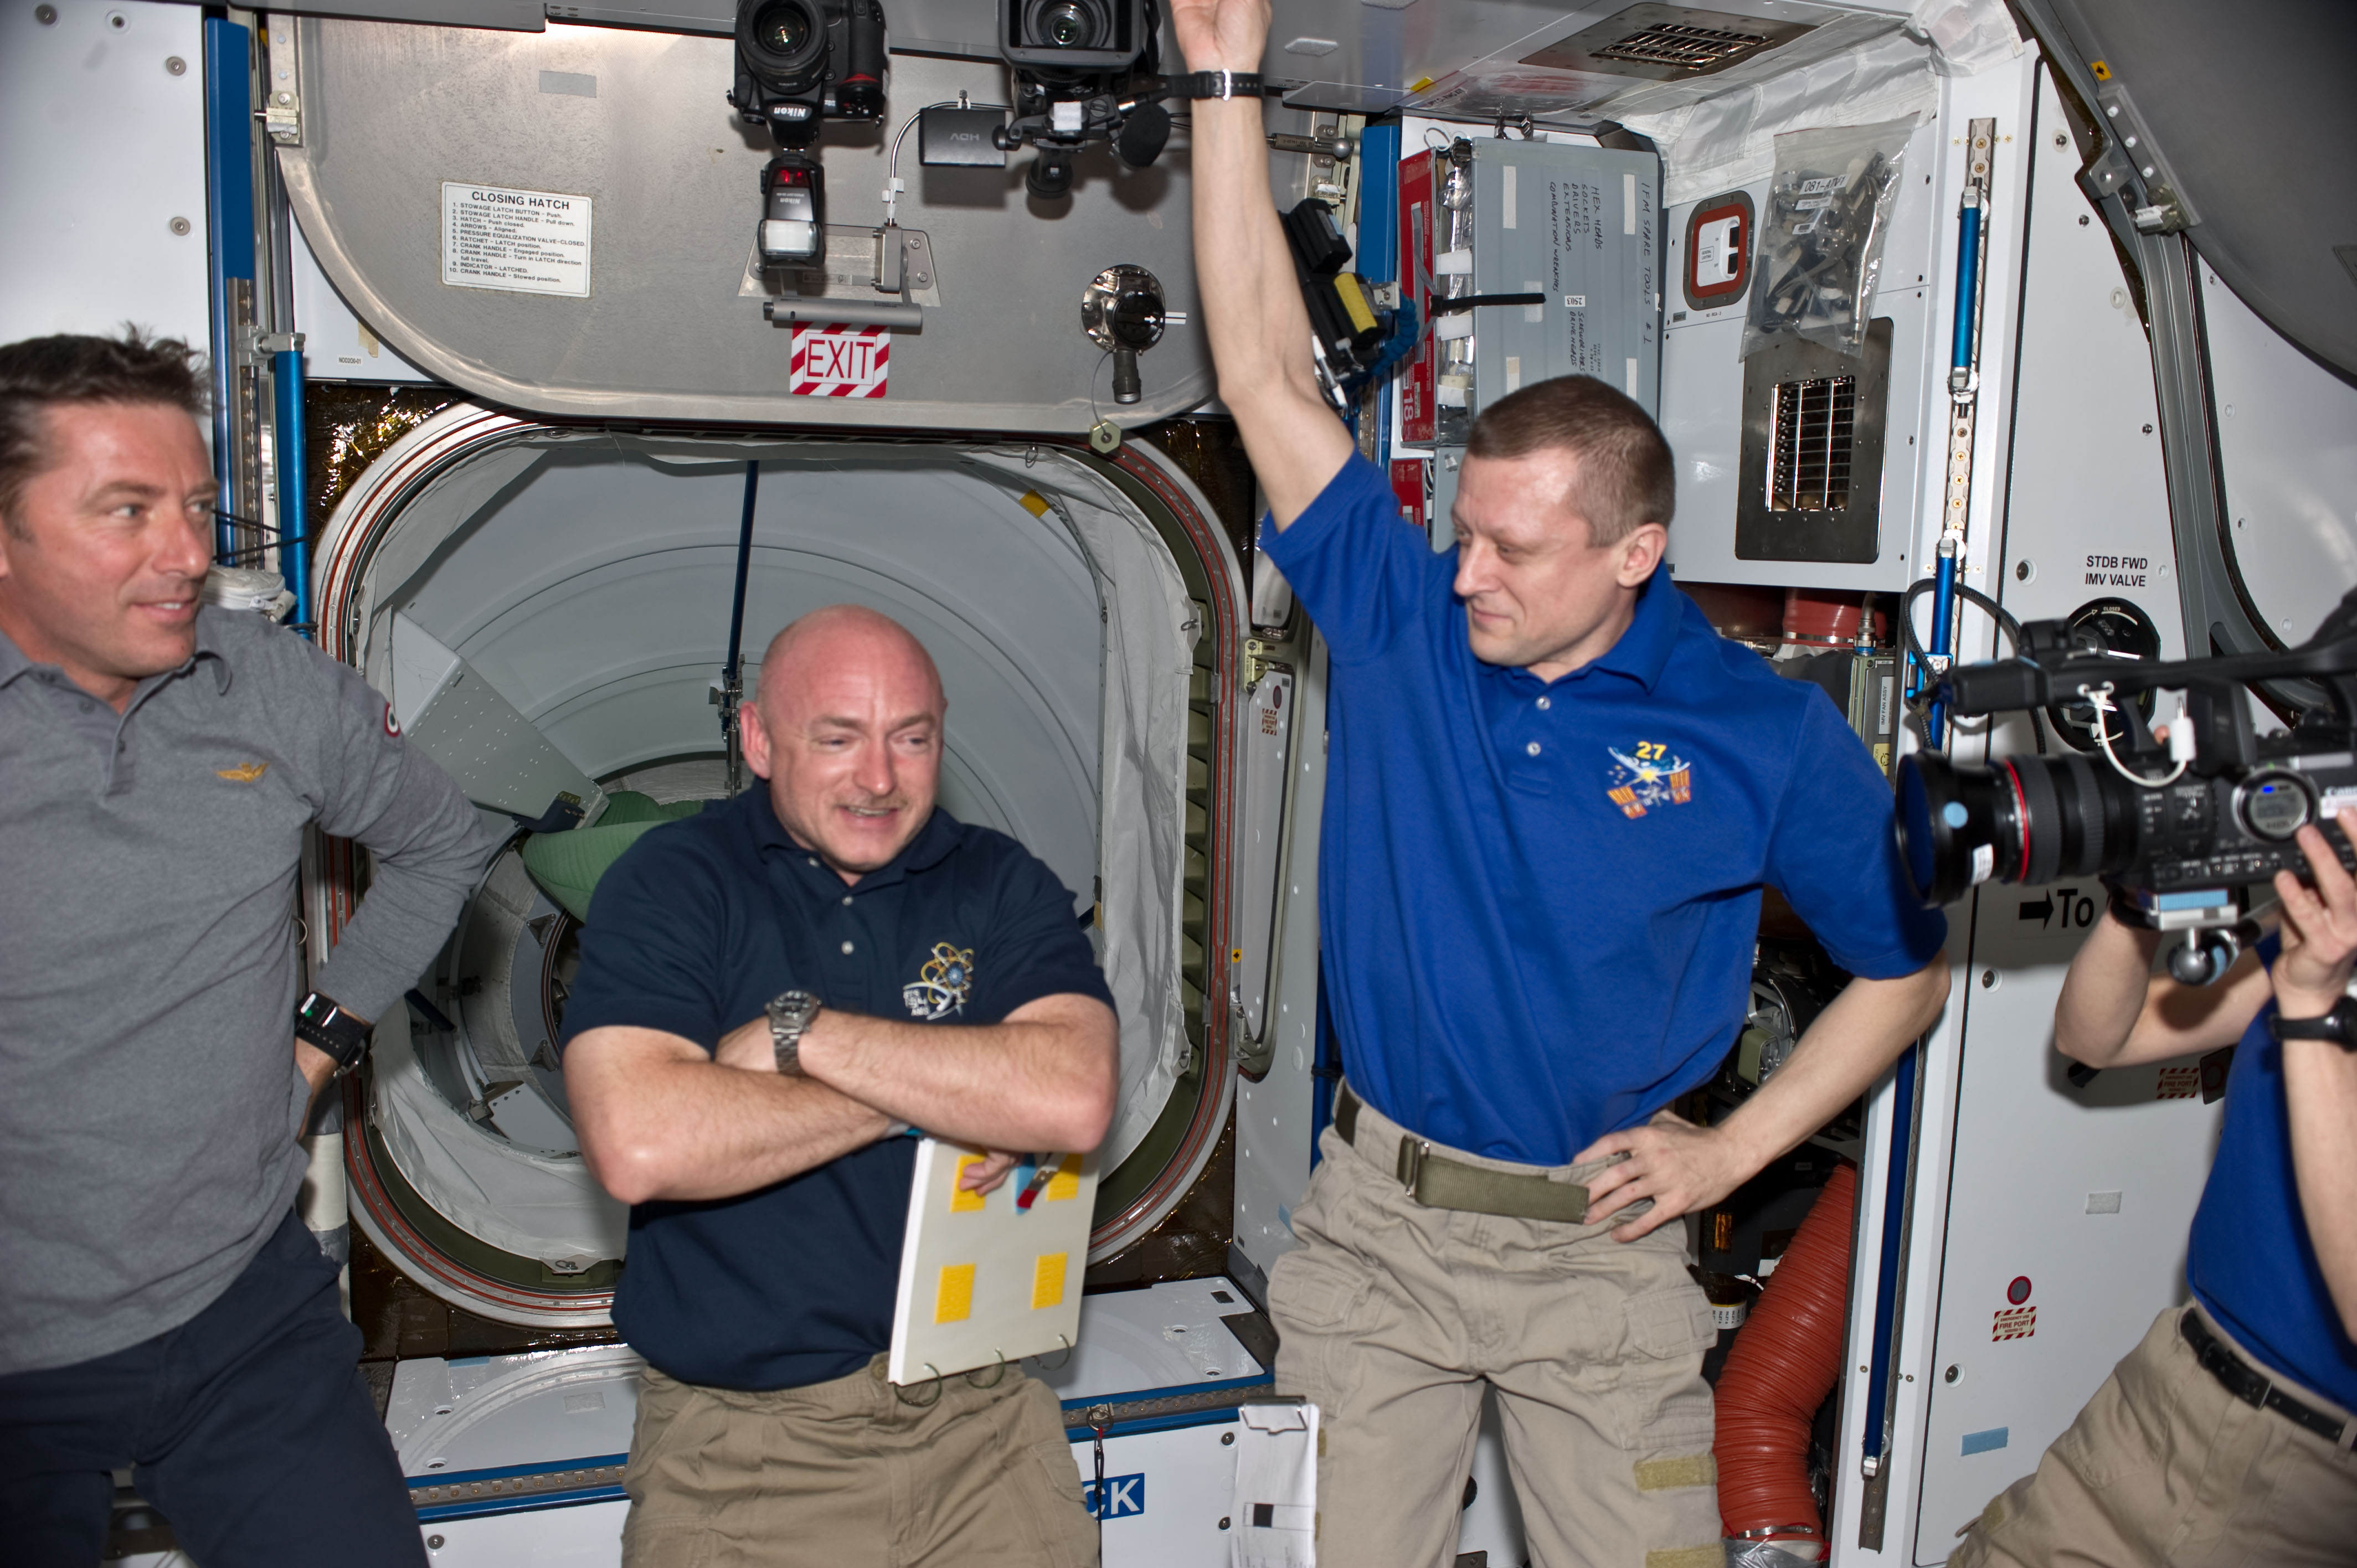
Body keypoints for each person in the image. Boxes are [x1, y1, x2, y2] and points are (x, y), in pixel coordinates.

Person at [1170, 3, 1953, 1562]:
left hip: (1599, 1251)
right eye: (1464, 533)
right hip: (1380, 1228)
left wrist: (1731, 1155)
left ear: (1635, 554)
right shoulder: (1405, 626)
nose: (1467, 575)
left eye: (1513, 551)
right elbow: (1262, 373)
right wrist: (1225, 85)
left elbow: (1906, 971)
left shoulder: (1757, 732)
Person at [0, 331, 501, 1566]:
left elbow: (442, 843)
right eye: (128, 512)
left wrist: (323, 1041)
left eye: (195, 506)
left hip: (244, 1317)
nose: (187, 557)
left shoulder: (265, 687)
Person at [560, 603, 1118, 1568]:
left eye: (912, 739)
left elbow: (1069, 1096)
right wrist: (946, 1093)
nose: (879, 779)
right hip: (746, 1460)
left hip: (986, 1433)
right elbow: (642, 1143)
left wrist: (801, 1032)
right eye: (838, 739)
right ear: (760, 740)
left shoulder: (998, 881)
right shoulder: (674, 883)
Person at [1951, 807, 2357, 1566]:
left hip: (2318, 1487)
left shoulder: (2319, 972)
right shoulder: (2331, 936)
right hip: (2169, 1396)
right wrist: (2140, 895)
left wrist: (2310, 1011)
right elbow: (2094, 1037)